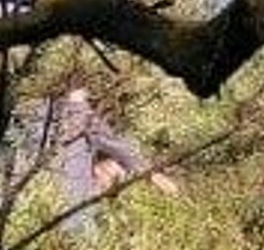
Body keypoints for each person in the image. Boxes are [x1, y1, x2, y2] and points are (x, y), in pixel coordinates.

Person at [44, 84, 178, 236]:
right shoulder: (80, 118)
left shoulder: (32, 114)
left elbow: (117, 149)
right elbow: (121, 150)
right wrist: (155, 177)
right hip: (74, 223)